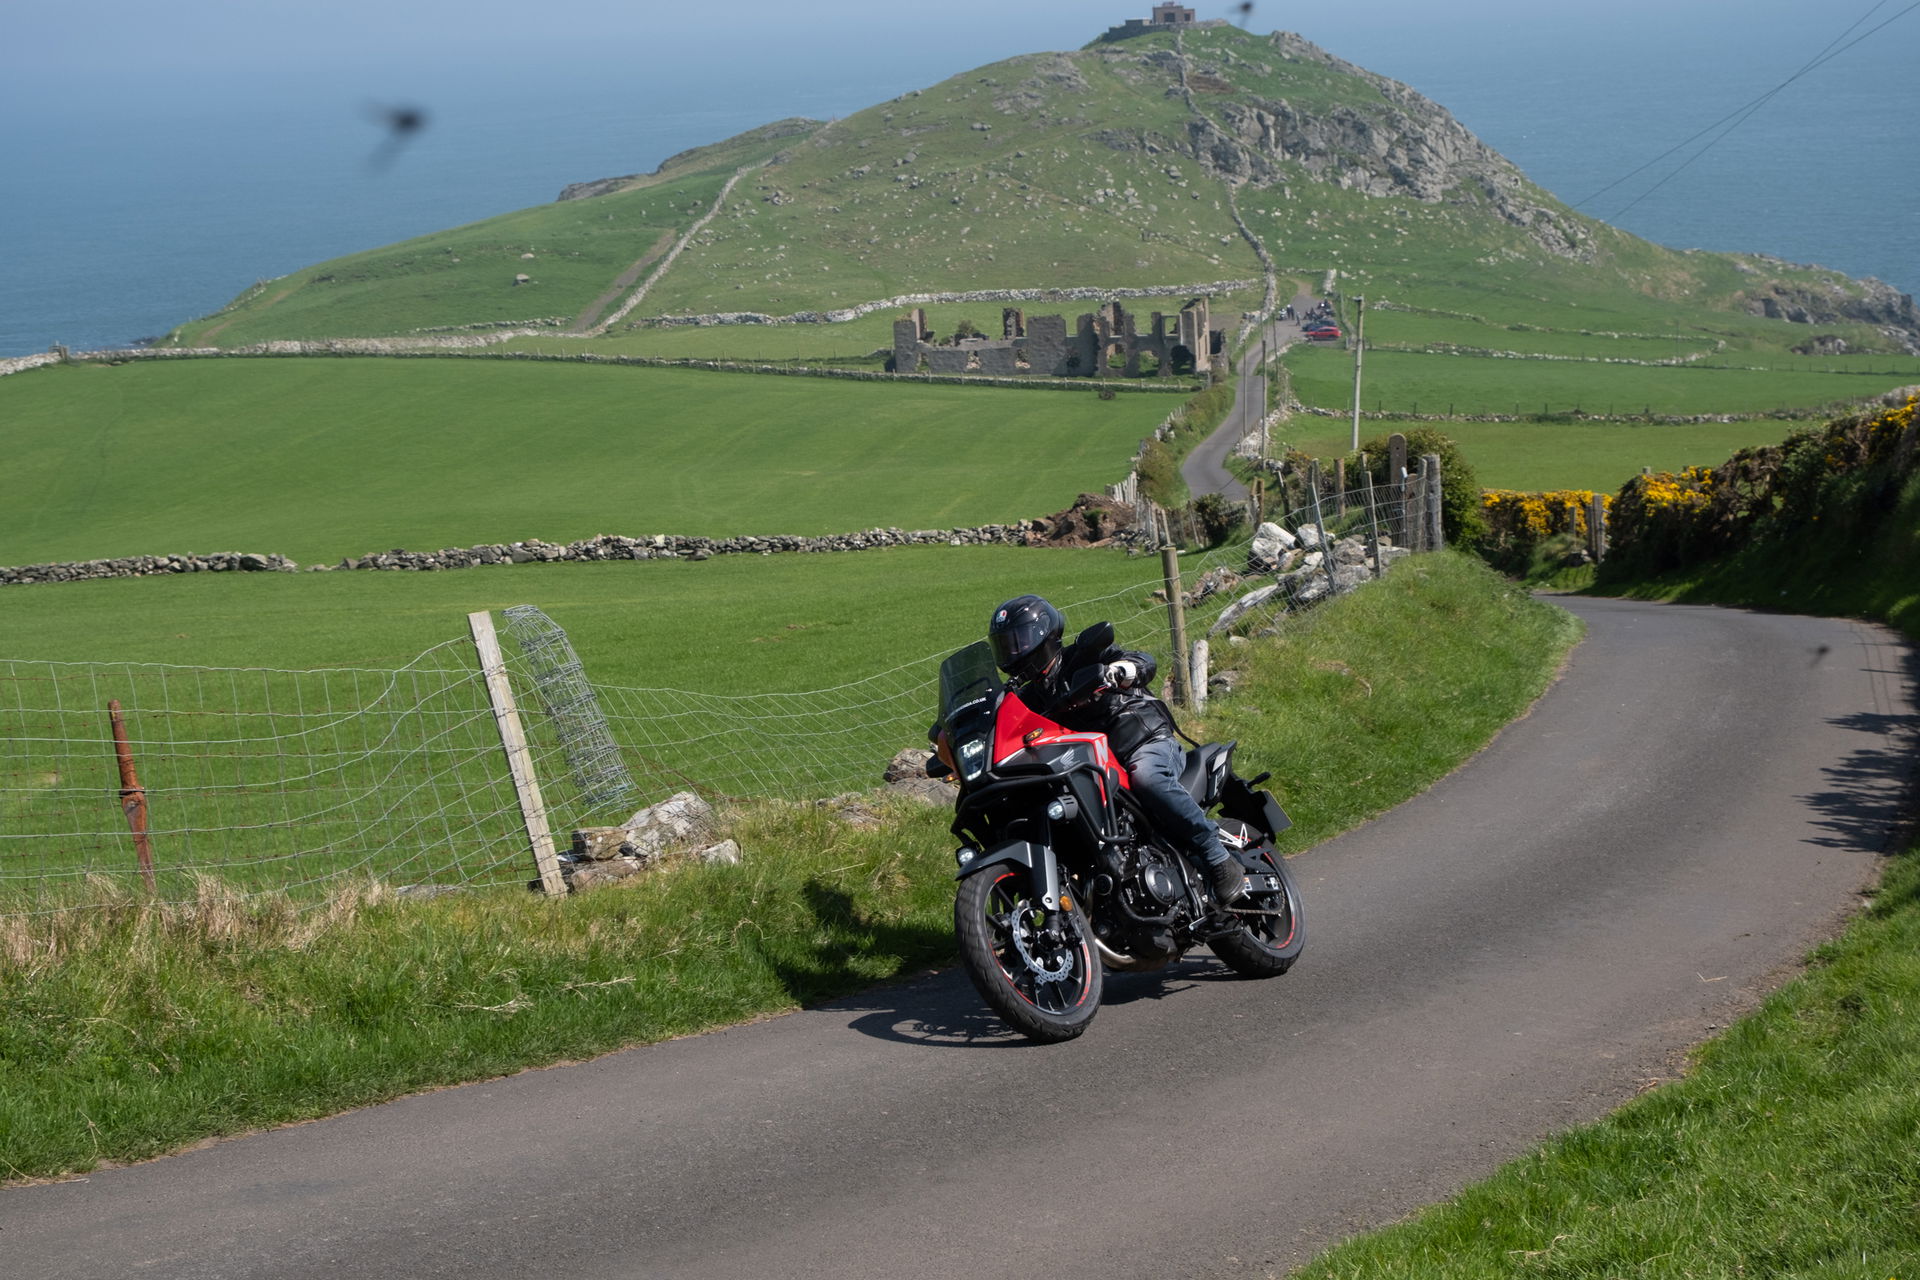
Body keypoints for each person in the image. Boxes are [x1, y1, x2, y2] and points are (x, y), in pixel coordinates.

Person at [986, 594, 1247, 905]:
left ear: (1045, 634)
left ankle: (1216, 856)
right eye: (1006, 645)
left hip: (1143, 741)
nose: (1014, 651)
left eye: (1019, 640)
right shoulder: (1027, 696)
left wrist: (1123, 670)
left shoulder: (1082, 657)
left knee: (1148, 778)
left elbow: (1142, 660)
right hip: (1087, 764)